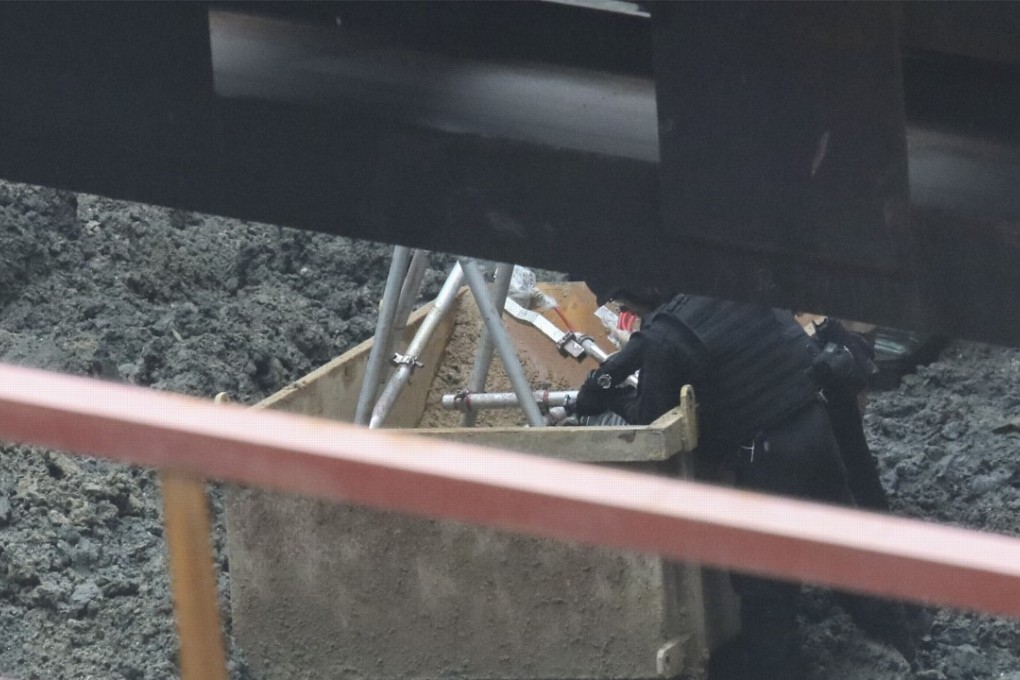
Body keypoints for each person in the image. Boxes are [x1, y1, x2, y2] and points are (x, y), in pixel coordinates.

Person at [573, 282, 915, 678]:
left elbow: (651, 422)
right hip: (817, 428)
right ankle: (906, 640)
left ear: (637, 295)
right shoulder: (725, 289)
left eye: (622, 303)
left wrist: (605, 397)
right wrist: (633, 354)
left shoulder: (666, 336)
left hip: (769, 457)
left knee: (765, 588)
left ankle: (781, 668)